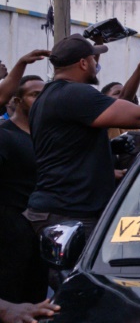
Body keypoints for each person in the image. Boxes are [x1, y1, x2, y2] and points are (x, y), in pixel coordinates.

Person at [24, 33, 140, 241]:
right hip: (69, 213)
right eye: (93, 59)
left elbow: (65, 147)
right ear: (83, 63)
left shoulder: (48, 96)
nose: (96, 64)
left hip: (59, 208)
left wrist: (109, 147)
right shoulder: (75, 94)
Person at [0, 76, 47, 304]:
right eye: (35, 95)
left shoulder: (47, 137)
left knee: (37, 296)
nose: (41, 100)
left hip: (40, 228)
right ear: (18, 101)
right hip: (10, 230)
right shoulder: (5, 136)